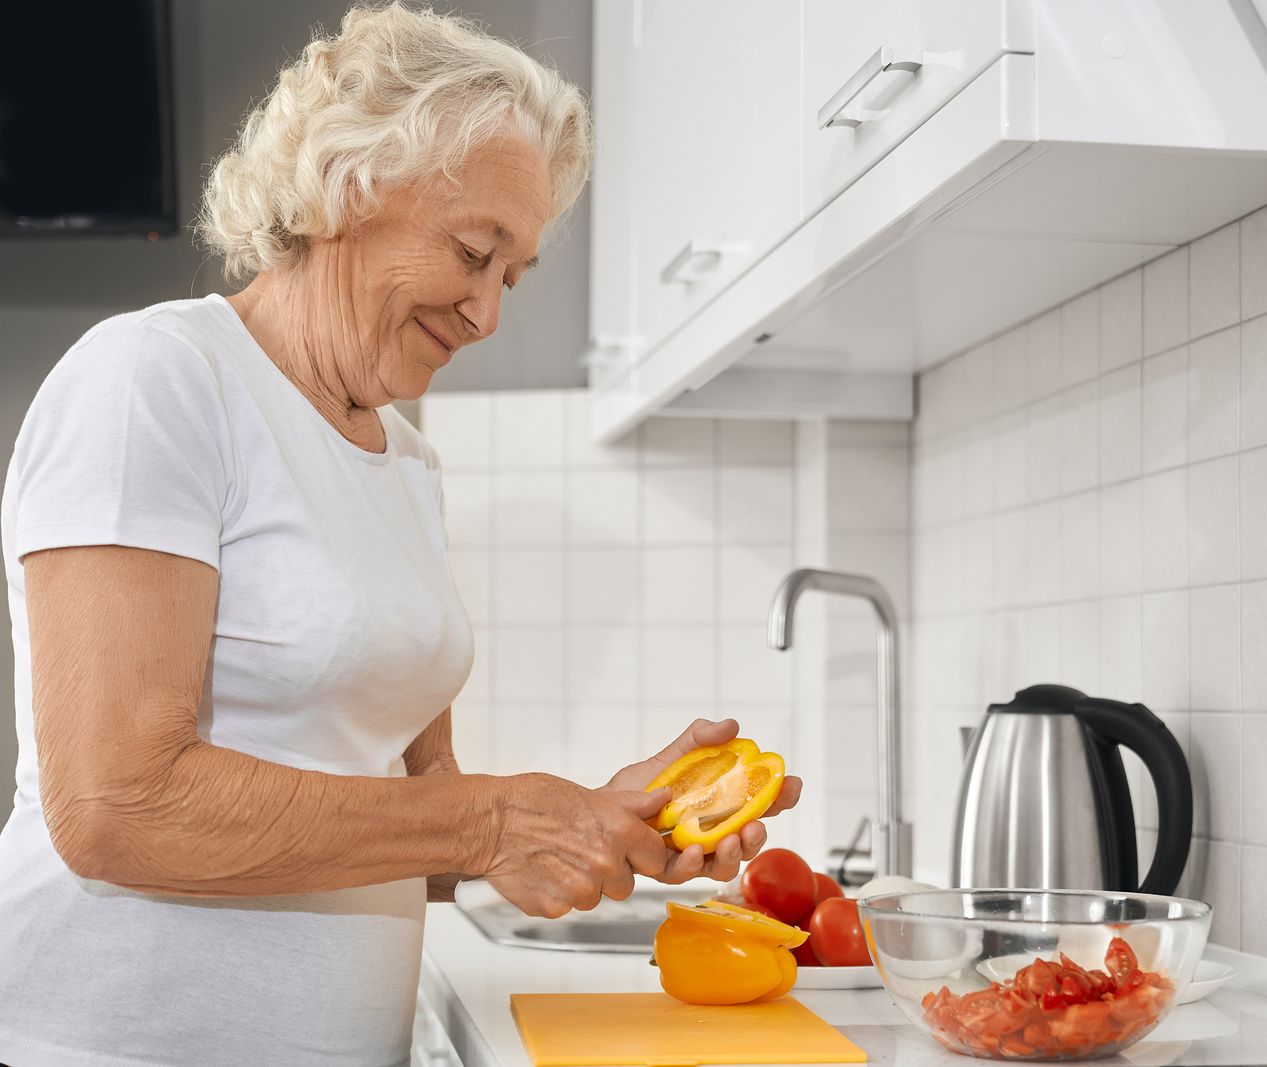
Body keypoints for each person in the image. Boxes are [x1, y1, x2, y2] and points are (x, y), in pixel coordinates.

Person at [0, 6, 801, 1064]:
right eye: (473, 253)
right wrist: (491, 821)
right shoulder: (158, 378)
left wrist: (590, 822)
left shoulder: (409, 464)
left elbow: (408, 821)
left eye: (511, 277)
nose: (487, 315)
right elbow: (112, 805)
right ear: (349, 182)